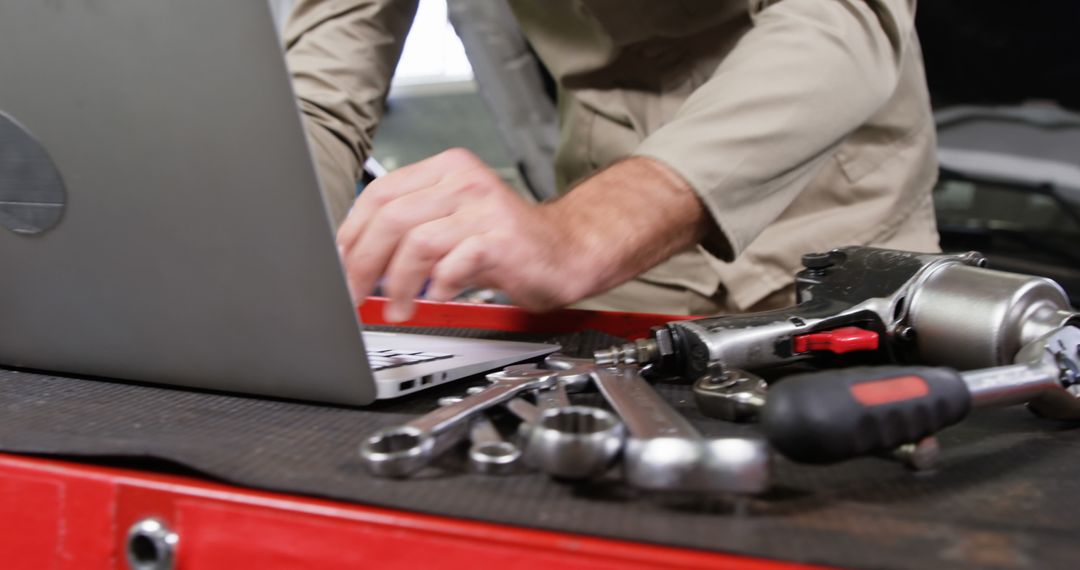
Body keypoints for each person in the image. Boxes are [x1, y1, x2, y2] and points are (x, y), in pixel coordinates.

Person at [284, 0, 940, 322]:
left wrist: (585, 231)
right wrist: (257, 265)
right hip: (615, 260)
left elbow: (839, 18)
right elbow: (321, 91)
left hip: (834, 219)